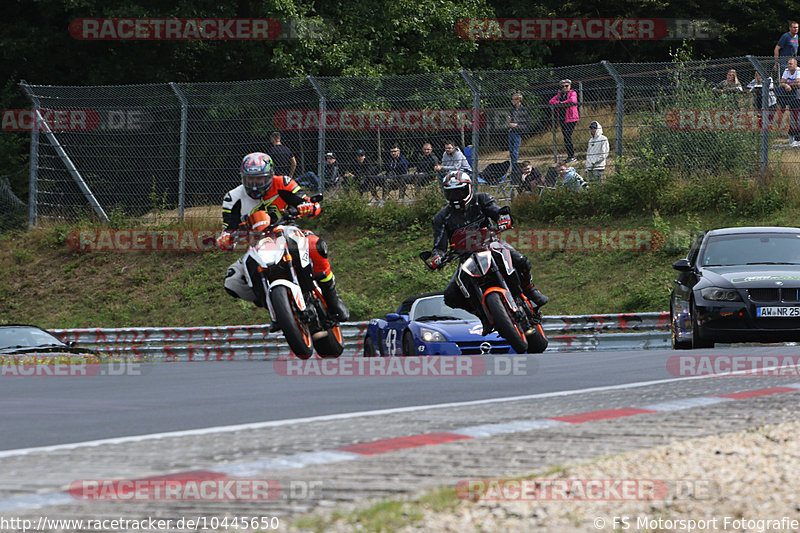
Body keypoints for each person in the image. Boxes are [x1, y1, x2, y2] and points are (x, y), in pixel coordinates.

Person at [216, 152, 349, 323]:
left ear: (270, 175)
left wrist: (309, 206)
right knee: (232, 281)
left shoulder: (283, 183)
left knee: (315, 245)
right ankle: (274, 306)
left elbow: (305, 201)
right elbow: (228, 229)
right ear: (243, 178)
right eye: (251, 180)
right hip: (256, 244)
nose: (255, 185)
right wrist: (225, 238)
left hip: (285, 231)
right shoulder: (232, 198)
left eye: (260, 179)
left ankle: (332, 297)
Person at [428, 170, 548, 332]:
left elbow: (497, 211)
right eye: (451, 193)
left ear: (469, 189)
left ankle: (529, 289)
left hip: (491, 244)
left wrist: (502, 218)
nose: (456, 196)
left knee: (520, 260)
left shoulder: (482, 199)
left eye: (460, 191)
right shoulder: (441, 217)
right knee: (451, 296)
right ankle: (483, 315)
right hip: (466, 258)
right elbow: (439, 244)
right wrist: (437, 256)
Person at [548, 79, 579, 163]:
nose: (564, 87)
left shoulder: (572, 93)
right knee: (566, 137)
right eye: (563, 86)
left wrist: (561, 103)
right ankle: (570, 156)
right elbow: (551, 101)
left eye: (566, 86)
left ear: (570, 86)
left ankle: (572, 156)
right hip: (562, 118)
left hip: (571, 118)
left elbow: (573, 100)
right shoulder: (559, 94)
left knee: (567, 136)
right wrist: (560, 102)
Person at [780, 58, 800, 145]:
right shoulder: (786, 70)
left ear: (795, 65)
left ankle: (796, 137)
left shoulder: (798, 70)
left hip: (798, 96)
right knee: (794, 117)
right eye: (788, 63)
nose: (789, 65)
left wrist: (788, 84)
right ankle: (794, 136)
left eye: (791, 64)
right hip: (792, 97)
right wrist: (786, 85)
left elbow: (799, 83)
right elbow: (781, 83)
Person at [507, 93, 529, 167]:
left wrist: (516, 125)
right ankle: (513, 167)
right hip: (511, 132)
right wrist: (509, 120)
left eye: (513, 99)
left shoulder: (524, 109)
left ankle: (515, 168)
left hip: (518, 132)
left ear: (519, 100)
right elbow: (511, 122)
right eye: (512, 99)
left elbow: (525, 123)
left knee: (515, 152)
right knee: (511, 152)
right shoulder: (512, 109)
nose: (512, 101)